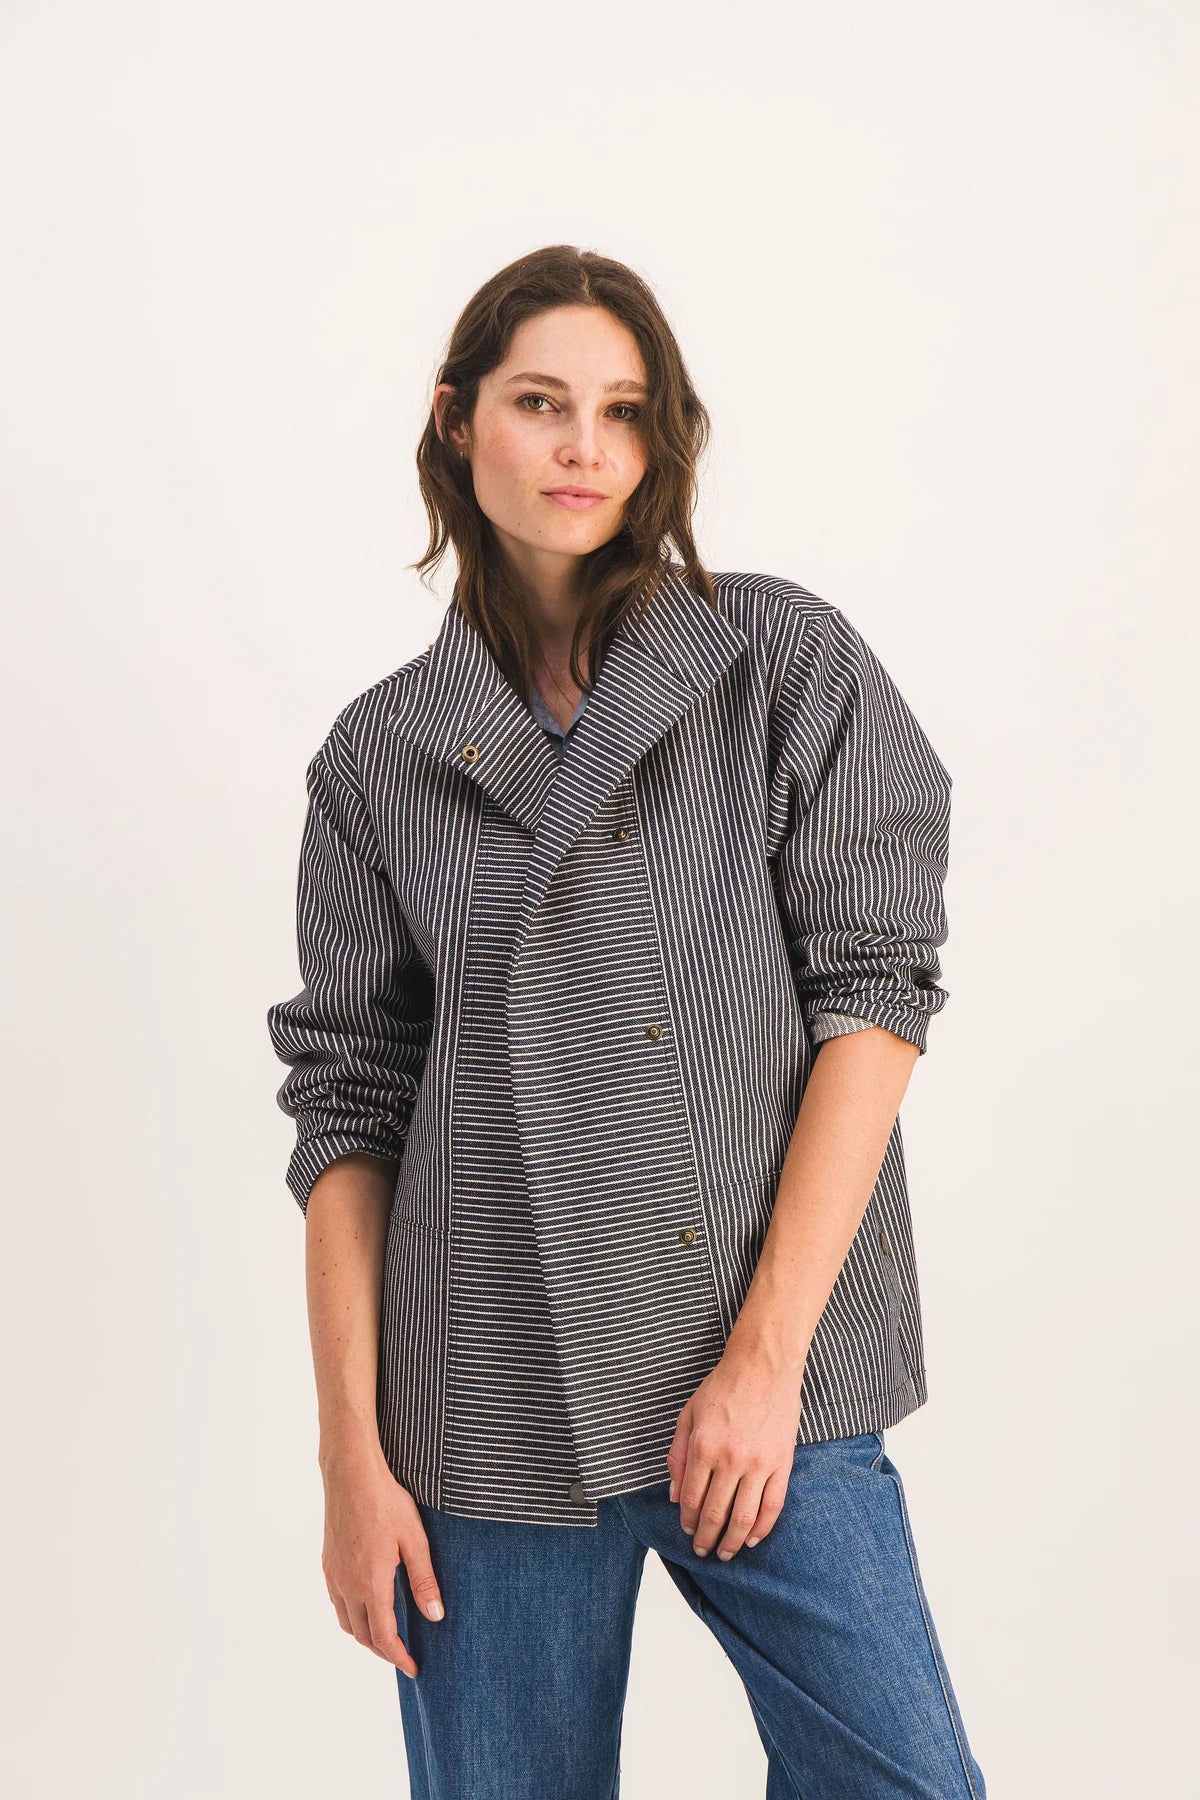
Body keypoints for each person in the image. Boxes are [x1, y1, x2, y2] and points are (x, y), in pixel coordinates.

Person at [266, 243, 988, 1798]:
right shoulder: (380, 755)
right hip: (486, 1400)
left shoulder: (778, 661)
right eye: (541, 402)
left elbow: (875, 1000)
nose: (584, 446)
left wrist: (766, 1365)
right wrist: (350, 1458)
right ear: (458, 421)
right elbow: (349, 1111)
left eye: (624, 410)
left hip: (767, 1367)